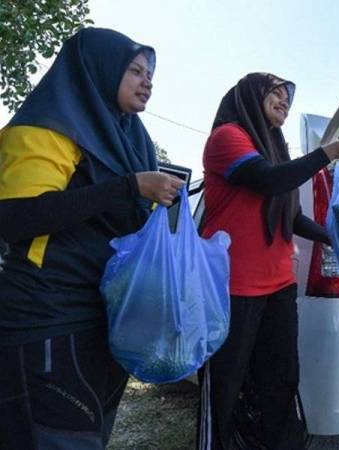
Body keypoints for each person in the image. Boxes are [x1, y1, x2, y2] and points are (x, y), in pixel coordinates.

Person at [0, 28, 184, 449]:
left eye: (150, 73)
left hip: (105, 320)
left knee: (89, 436)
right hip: (47, 318)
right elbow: (13, 218)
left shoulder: (129, 138)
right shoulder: (46, 128)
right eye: (135, 70)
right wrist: (129, 187)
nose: (148, 81)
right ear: (99, 69)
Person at [197, 72, 339, 450]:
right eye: (275, 93)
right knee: (228, 385)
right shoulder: (228, 137)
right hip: (233, 287)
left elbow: (289, 216)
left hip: (277, 284)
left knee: (280, 379)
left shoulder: (273, 148)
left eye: (288, 98)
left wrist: (335, 238)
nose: (284, 102)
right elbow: (268, 181)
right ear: (250, 96)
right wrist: (329, 152)